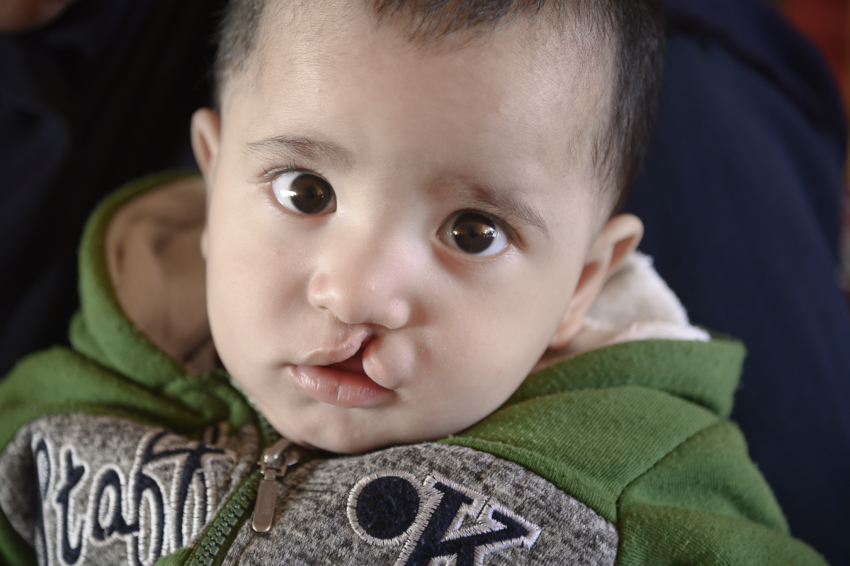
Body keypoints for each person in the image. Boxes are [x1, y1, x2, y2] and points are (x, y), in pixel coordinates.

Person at [0, 1, 830, 565]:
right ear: (212, 188)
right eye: (303, 192)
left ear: (580, 283)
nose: (356, 294)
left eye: (474, 233)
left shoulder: (641, 485)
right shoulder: (62, 404)